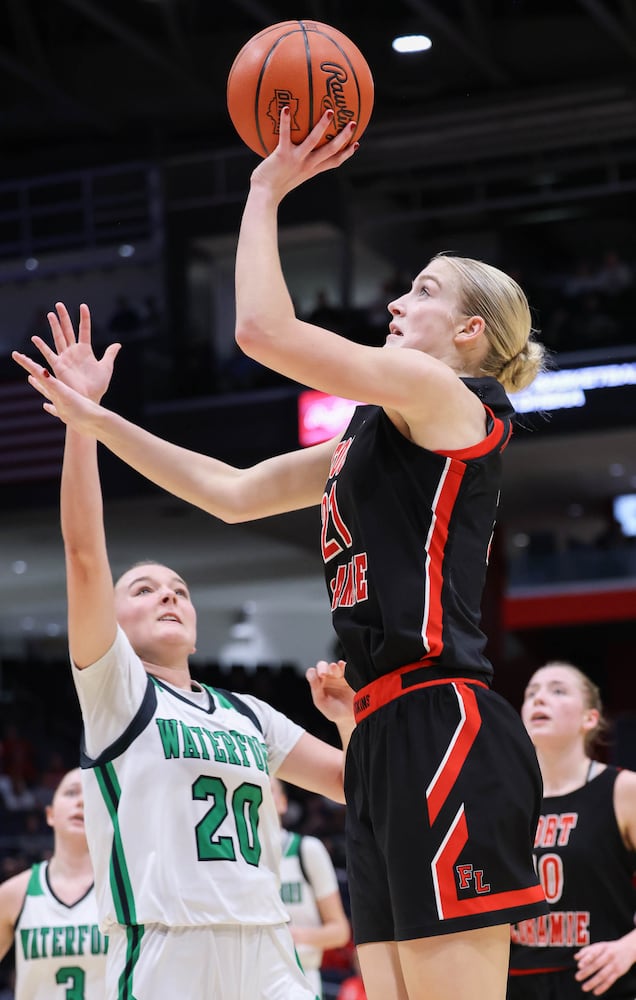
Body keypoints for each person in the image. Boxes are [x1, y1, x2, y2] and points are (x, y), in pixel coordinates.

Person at [13, 108, 549, 1000]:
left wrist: (263, 189)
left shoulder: (448, 395)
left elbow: (263, 332)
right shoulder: (370, 433)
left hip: (443, 722)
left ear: (469, 333)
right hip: (379, 731)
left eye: (419, 291)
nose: (396, 302)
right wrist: (93, 421)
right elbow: (228, 492)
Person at [13, 303, 355, 1000]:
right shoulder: (117, 692)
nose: (169, 596)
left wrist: (348, 719)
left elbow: (356, 786)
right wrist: (83, 423)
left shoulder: (249, 714)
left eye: (180, 589)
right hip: (168, 950)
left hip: (266, 946)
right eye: (144, 589)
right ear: (109, 617)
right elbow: (84, 555)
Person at [508, 661, 636, 999]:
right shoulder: (502, 802)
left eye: (558, 690)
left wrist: (630, 948)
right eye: (530, 693)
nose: (539, 699)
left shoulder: (623, 790)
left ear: (589, 718)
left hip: (600, 982)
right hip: (516, 984)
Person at [0, 767, 108, 1000]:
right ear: (50, 814)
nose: (81, 801)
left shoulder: (125, 890)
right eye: (71, 793)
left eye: (91, 794)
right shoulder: (14, 894)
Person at [271, 776, 350, 998]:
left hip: (300, 979)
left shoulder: (306, 850)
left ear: (283, 802)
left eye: (270, 790)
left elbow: (340, 931)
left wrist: (293, 936)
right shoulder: (238, 859)